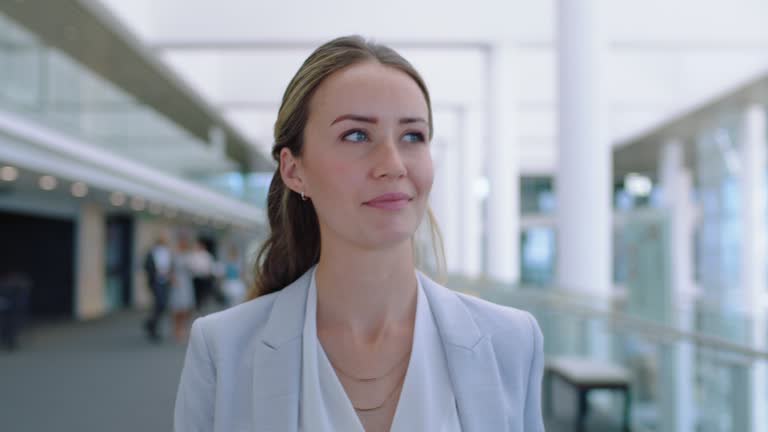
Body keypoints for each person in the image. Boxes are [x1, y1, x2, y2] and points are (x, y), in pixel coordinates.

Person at [174, 35, 544, 432]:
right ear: (294, 170)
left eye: (412, 136)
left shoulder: (511, 341)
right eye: (356, 135)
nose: (393, 164)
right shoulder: (222, 349)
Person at [143, 235, 172, 342]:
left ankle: (151, 323)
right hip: (156, 282)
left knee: (162, 304)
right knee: (160, 303)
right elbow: (146, 266)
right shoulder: (151, 253)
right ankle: (152, 325)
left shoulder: (167, 253)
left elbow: (170, 266)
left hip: (165, 282)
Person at [169, 237, 195, 343]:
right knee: (177, 307)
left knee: (187, 307)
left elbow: (193, 269)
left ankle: (184, 328)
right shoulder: (175, 255)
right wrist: (173, 280)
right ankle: (177, 329)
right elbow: (170, 270)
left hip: (186, 282)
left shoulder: (189, 255)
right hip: (178, 282)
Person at [187, 238, 215, 312]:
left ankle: (203, 305)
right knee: (197, 293)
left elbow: (210, 266)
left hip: (204, 277)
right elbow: (191, 265)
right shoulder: (193, 255)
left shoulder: (207, 255)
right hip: (196, 277)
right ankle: (198, 305)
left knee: (204, 293)